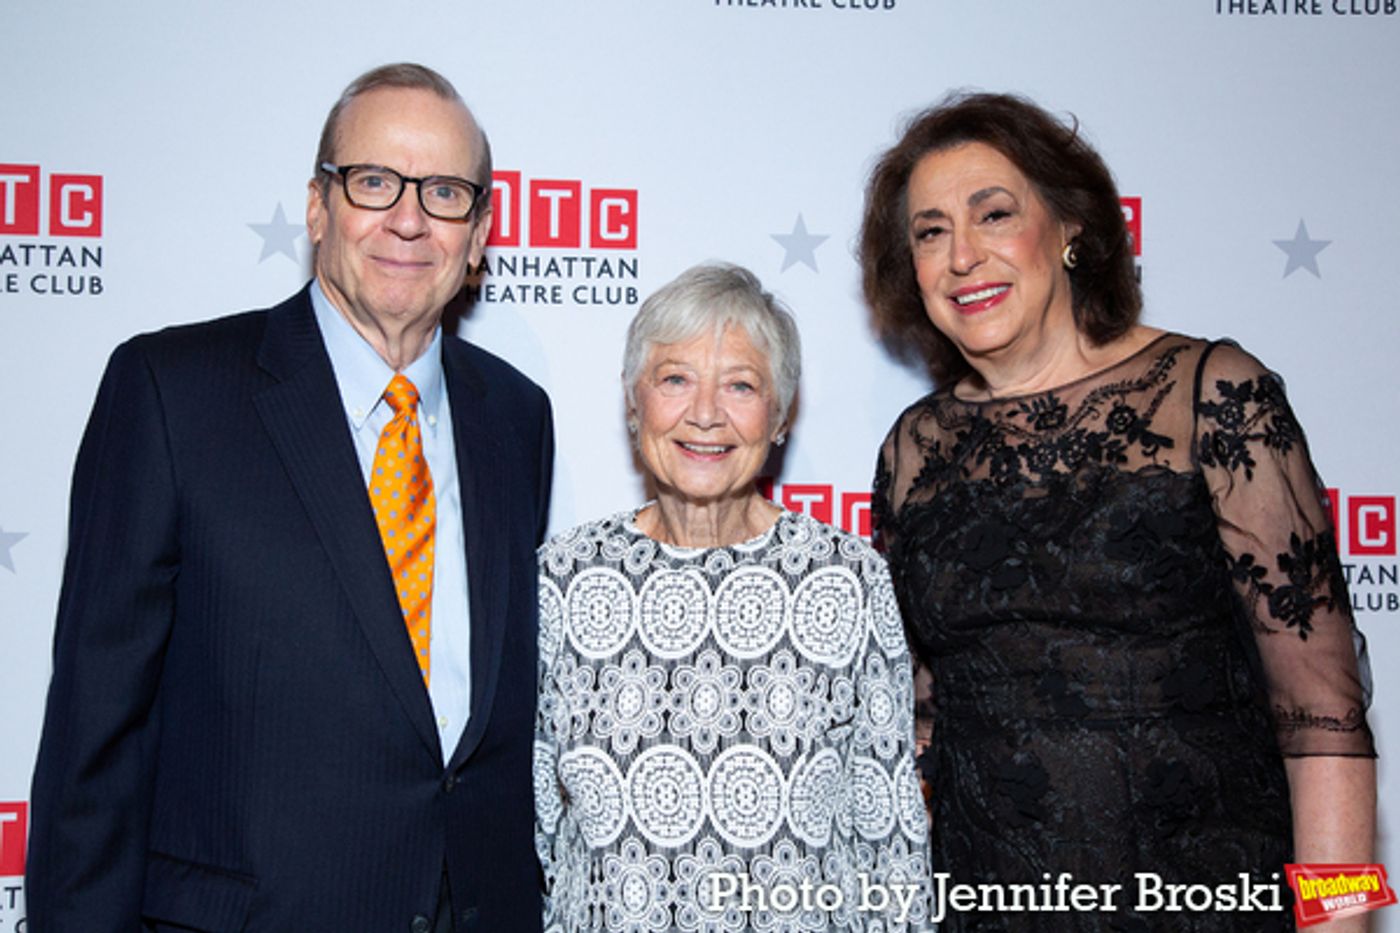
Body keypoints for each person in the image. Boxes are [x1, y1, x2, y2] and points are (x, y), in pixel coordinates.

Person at [26, 63, 552, 932]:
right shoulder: (171, 393)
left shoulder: (516, 417)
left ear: (480, 234)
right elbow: (95, 737)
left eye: (445, 192)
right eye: (374, 182)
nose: (409, 219)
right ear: (318, 207)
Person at [860, 91, 1376, 931]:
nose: (962, 256)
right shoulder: (914, 452)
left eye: (994, 214)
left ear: (1070, 227)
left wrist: (1343, 927)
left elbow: (1323, 722)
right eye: (929, 232)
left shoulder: (1213, 394)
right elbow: (925, 724)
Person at [533, 263, 934, 931]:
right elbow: (534, 829)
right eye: (675, 379)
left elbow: (888, 842)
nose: (705, 413)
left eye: (740, 385)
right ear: (634, 403)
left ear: (779, 415)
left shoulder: (845, 581)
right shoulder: (563, 580)